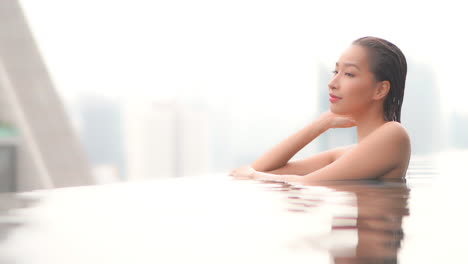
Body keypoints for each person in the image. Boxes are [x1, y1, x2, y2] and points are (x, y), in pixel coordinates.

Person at [229, 36, 411, 184]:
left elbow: (305, 182)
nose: (332, 84)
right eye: (335, 71)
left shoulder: (393, 135)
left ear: (380, 90)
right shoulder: (350, 153)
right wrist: (321, 124)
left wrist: (253, 175)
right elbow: (260, 168)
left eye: (349, 74)